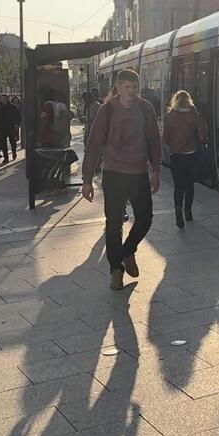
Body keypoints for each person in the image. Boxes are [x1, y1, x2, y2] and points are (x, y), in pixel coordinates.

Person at [81, 69, 161, 290]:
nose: (131, 92)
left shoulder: (146, 109)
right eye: (127, 87)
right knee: (113, 222)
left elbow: (154, 140)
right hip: (114, 173)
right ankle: (115, 269)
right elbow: (94, 144)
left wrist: (156, 171)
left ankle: (127, 251)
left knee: (145, 218)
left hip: (138, 172)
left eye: (135, 88)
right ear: (118, 87)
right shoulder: (106, 111)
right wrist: (87, 179)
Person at [163, 90, 205, 229]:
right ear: (189, 101)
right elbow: (201, 138)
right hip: (191, 155)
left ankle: (177, 208)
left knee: (178, 186)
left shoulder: (169, 117)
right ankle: (188, 211)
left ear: (175, 101)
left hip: (176, 156)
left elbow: (166, 138)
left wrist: (175, 145)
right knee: (189, 185)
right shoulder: (195, 117)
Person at [0, 93, 18, 163]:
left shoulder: (13, 107)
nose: (3, 101)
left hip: (11, 127)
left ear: (8, 99)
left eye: (5, 99)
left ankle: (14, 152)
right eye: (2, 99)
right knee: (3, 143)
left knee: (12, 142)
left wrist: (16, 126)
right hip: (2, 128)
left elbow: (17, 117)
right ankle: (6, 157)